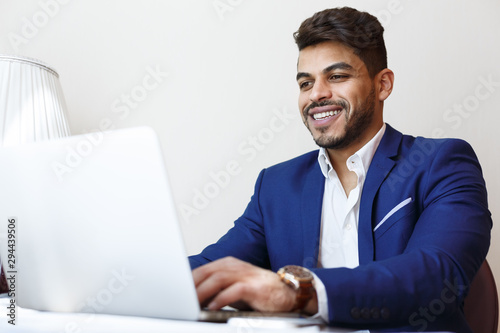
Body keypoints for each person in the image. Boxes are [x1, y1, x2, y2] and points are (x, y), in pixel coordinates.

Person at [188, 7, 492, 332]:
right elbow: (215, 267)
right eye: (306, 83)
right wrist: (140, 276)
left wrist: (298, 292)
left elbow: (437, 274)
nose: (317, 94)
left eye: (336, 76)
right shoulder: (276, 185)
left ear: (383, 85)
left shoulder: (442, 163)